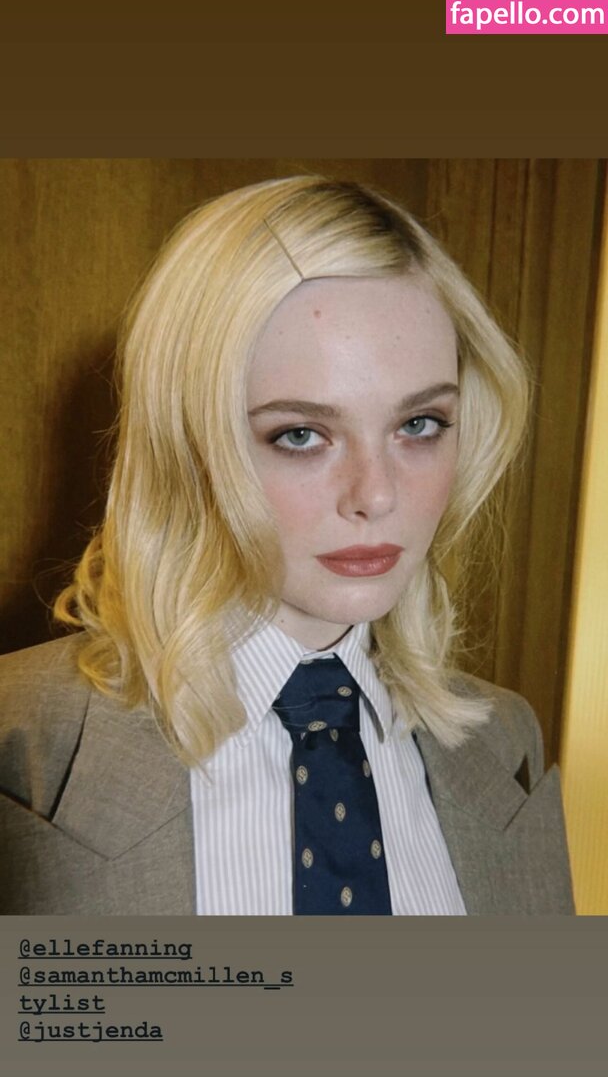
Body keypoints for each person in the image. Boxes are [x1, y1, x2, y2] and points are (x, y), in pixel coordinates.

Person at [0, 175, 574, 915]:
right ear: (188, 443)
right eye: (300, 434)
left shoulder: (507, 744)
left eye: (419, 425)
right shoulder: (24, 745)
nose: (375, 495)